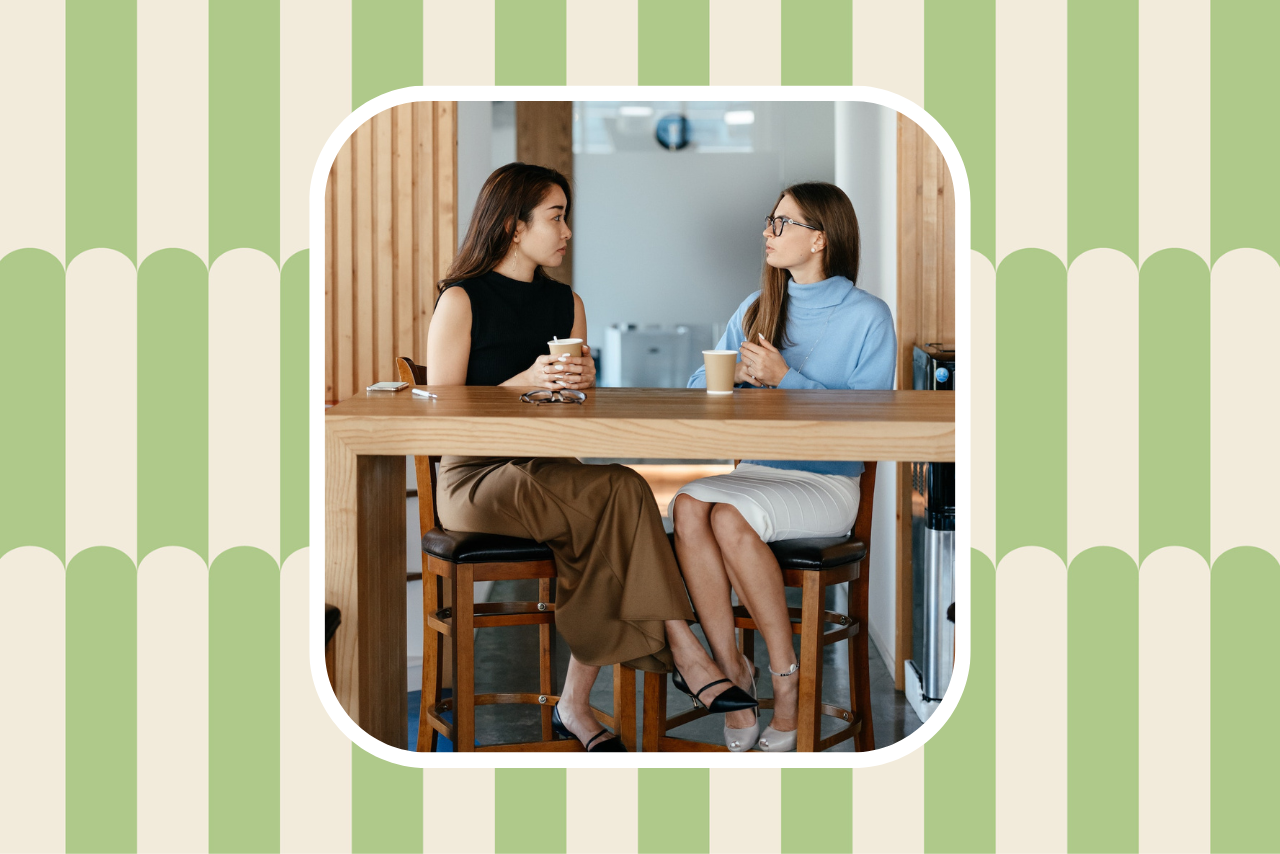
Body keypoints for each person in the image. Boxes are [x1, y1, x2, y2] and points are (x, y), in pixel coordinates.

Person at [426, 162, 755, 752]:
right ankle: (685, 652)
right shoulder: (461, 299)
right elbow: (442, 412)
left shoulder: (567, 304)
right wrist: (520, 382)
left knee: (617, 499)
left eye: (565, 218)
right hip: (475, 479)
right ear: (511, 226)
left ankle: (577, 706)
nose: (567, 231)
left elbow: (573, 414)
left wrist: (582, 387)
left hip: (548, 473)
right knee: (619, 496)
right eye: (555, 217)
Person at [669, 182, 896, 751]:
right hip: (761, 475)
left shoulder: (868, 315)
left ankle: (786, 682)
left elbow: (869, 418)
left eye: (782, 223)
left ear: (819, 238)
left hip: (828, 481)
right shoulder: (755, 307)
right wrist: (738, 378)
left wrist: (785, 380)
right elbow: (700, 384)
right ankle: (732, 675)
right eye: (769, 222)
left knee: (724, 516)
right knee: (690, 503)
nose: (767, 233)